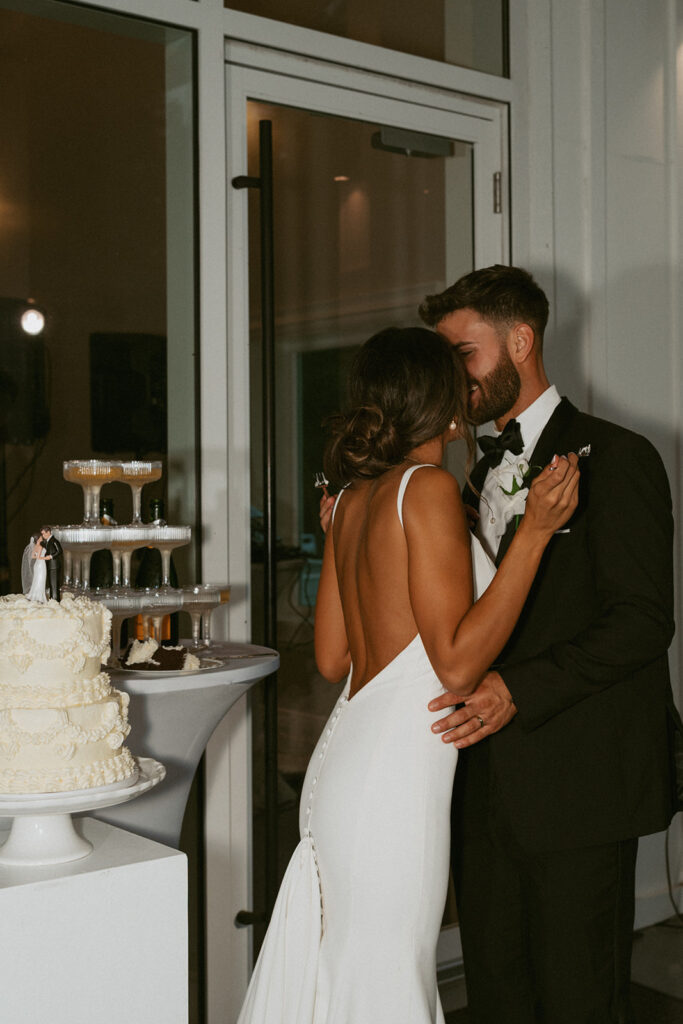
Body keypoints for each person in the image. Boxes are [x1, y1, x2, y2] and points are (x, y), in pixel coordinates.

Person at [237, 326, 579, 1024]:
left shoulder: (359, 498)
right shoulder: (423, 489)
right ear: (443, 402)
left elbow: (333, 659)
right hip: (392, 786)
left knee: (352, 983)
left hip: (340, 775)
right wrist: (535, 535)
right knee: (387, 982)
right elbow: (454, 661)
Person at [419, 265, 678, 1024]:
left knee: (577, 998)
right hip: (480, 783)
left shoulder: (618, 455)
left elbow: (641, 621)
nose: (453, 378)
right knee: (498, 992)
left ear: (520, 341)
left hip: (580, 783)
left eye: (463, 354)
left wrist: (516, 688)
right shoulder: (468, 476)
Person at [21, 535, 48, 603]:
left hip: (37, 564)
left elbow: (33, 556)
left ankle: (34, 595)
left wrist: (38, 556)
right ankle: (40, 597)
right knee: (40, 580)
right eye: (41, 537)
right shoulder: (40, 547)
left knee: (37, 579)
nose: (42, 538)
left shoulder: (35, 546)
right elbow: (39, 557)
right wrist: (46, 557)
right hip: (41, 564)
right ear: (38, 539)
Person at [40, 525, 63, 602]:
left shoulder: (54, 541)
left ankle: (55, 599)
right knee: (51, 583)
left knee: (54, 584)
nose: (43, 536)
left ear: (48, 532)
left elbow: (59, 551)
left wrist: (51, 556)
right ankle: (52, 598)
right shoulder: (48, 541)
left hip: (54, 565)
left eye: (43, 534)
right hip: (50, 565)